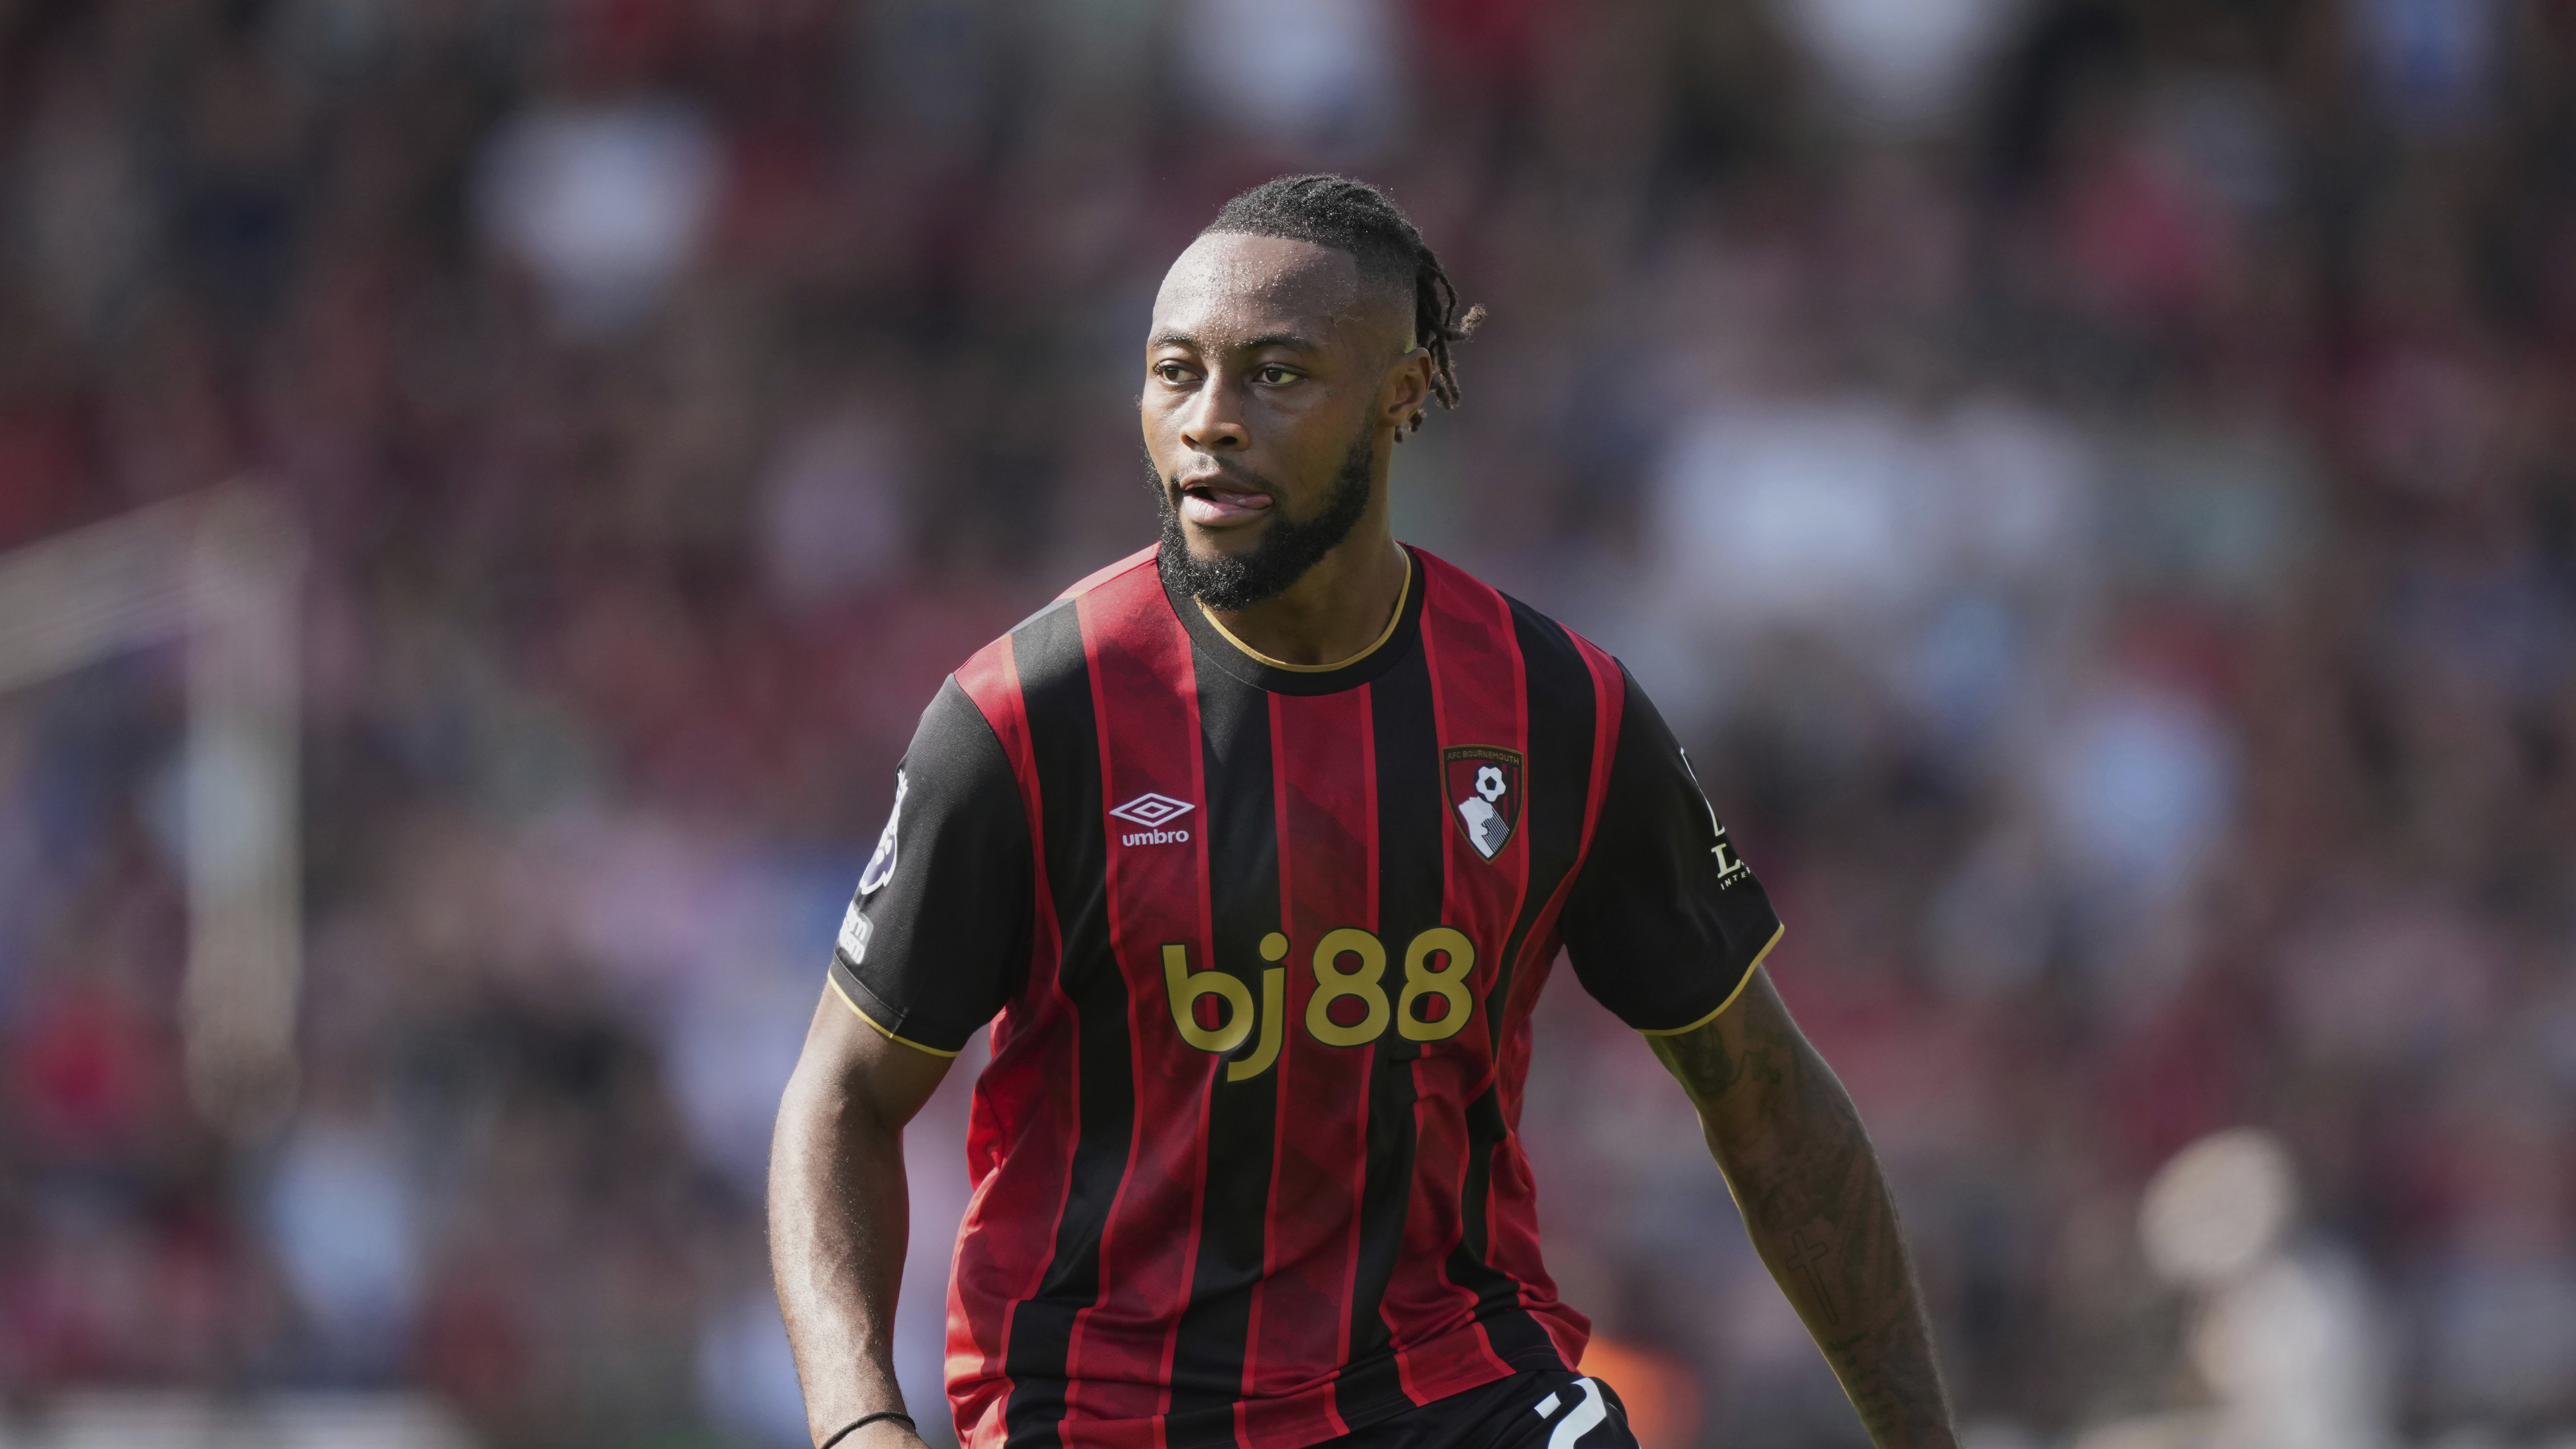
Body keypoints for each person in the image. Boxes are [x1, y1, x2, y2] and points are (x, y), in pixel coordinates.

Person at [769, 175, 1959, 1449]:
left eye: (1276, 376)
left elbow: (1764, 1102)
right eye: (1175, 374)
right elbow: (842, 1099)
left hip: (1456, 1388)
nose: (1209, 423)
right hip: (1110, 1413)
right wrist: (858, 1423)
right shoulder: (1027, 716)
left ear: (1401, 395)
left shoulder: (1557, 709)